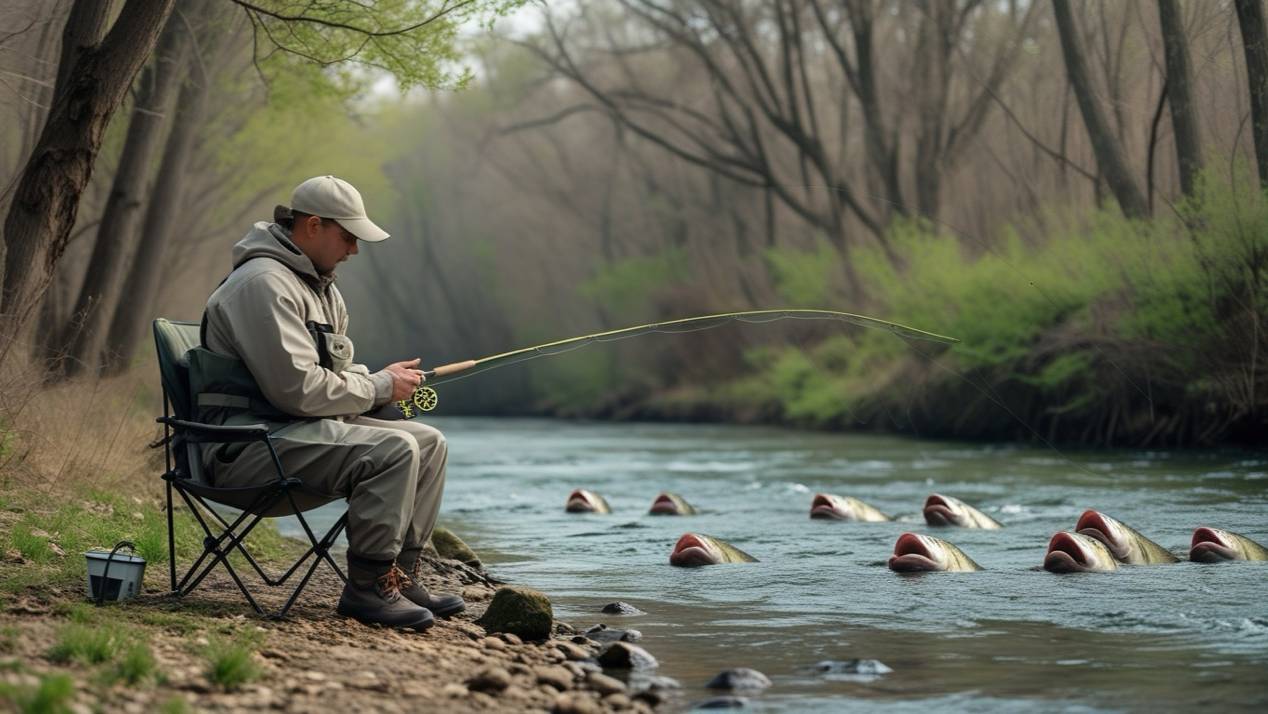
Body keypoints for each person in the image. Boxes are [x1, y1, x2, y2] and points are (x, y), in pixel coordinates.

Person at [191, 175, 463, 630]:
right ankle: (366, 590)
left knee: (428, 442)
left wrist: (382, 382)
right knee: (394, 451)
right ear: (313, 226)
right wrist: (378, 387)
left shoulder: (321, 289)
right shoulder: (263, 285)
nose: (354, 250)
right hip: (243, 448)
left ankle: (400, 576)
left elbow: (332, 378)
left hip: (290, 432)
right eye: (348, 237)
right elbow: (297, 391)